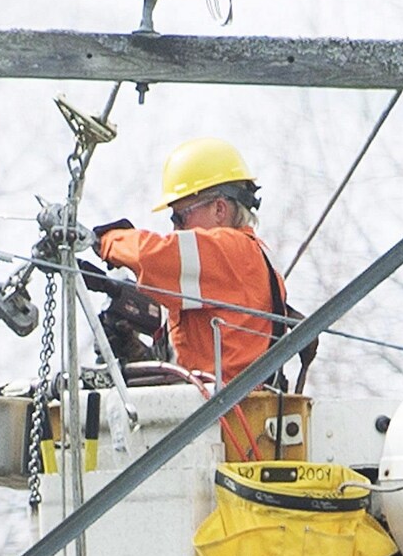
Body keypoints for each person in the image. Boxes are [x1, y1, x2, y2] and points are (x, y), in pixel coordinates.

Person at [91, 138, 293, 383]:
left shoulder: (231, 251)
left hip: (222, 411)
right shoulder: (245, 261)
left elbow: (150, 256)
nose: (176, 230)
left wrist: (105, 240)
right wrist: (138, 355)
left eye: (180, 218)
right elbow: (196, 358)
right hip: (218, 406)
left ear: (220, 209)